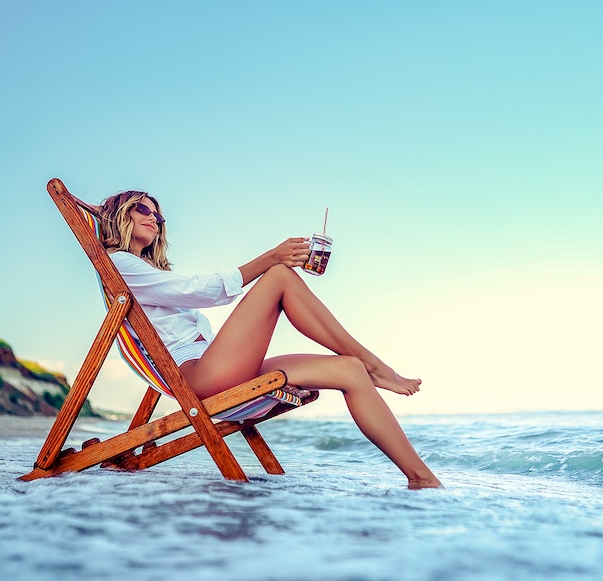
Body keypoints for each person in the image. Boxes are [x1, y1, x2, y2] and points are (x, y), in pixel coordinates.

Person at [98, 190, 442, 489]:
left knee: (349, 370)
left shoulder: (147, 273)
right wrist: (269, 258)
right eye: (142, 209)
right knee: (279, 276)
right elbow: (196, 290)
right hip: (199, 377)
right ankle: (375, 365)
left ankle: (420, 477)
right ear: (118, 216)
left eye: (157, 214)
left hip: (214, 367)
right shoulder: (118, 264)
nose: (154, 218)